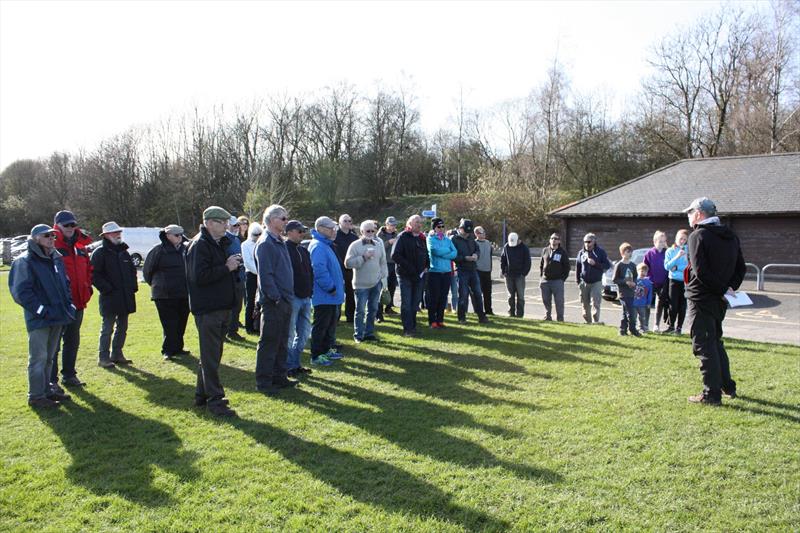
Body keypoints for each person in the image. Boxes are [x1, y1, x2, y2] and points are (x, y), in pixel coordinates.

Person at [683, 197, 746, 405]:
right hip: (719, 300)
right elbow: (741, 269)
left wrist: (721, 290)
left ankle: (711, 394)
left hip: (701, 299)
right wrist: (728, 290)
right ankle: (728, 386)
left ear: (700, 214)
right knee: (716, 343)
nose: (688, 216)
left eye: (690, 212)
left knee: (704, 345)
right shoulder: (730, 236)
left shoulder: (698, 235)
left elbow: (700, 271)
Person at [9, 224, 76, 408]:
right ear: (36, 239)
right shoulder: (25, 261)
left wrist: (68, 304)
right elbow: (21, 292)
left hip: (58, 315)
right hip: (40, 319)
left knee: (50, 357)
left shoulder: (56, 258)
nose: (52, 239)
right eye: (47, 236)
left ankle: (47, 390)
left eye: (53, 236)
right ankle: (36, 396)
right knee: (38, 358)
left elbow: (65, 284)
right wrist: (41, 310)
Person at [186, 206, 239, 417]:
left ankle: (201, 395)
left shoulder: (217, 243)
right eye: (221, 222)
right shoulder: (199, 245)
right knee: (210, 356)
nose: (226, 226)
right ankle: (216, 401)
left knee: (211, 355)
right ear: (208, 223)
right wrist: (227, 267)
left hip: (221, 307)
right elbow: (198, 277)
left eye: (226, 222)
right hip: (208, 309)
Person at [255, 204, 297, 395]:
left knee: (282, 341)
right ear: (272, 220)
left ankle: (280, 376)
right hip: (274, 302)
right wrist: (276, 298)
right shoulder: (265, 243)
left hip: (285, 299)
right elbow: (266, 276)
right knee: (269, 342)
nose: (286, 221)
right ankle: (264, 382)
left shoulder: (279, 240)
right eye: (283, 218)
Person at [51, 210, 93, 388]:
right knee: (54, 344)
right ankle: (52, 381)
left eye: (72, 224)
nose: (70, 228)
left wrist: (88, 288)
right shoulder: (52, 245)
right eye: (66, 225)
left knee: (72, 340)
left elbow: (88, 269)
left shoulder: (80, 246)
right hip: (59, 303)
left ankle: (69, 375)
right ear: (57, 226)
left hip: (78, 302)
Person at [91, 221, 138, 368]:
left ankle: (117, 354)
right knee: (107, 328)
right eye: (114, 232)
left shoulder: (124, 252)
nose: (118, 234)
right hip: (110, 297)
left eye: (118, 232)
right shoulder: (99, 253)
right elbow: (94, 275)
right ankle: (103, 357)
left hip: (125, 296)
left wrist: (132, 288)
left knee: (122, 327)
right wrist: (108, 289)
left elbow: (132, 272)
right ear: (105, 235)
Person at [142, 224, 190, 361]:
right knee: (169, 323)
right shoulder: (158, 251)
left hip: (183, 292)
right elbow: (147, 272)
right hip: (164, 294)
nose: (180, 237)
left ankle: (178, 347)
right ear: (168, 236)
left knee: (182, 321)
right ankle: (167, 350)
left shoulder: (185, 250)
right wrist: (157, 285)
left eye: (181, 235)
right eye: (176, 235)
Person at [308, 216, 346, 365]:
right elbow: (319, 270)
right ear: (321, 229)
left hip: (331, 295)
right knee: (321, 326)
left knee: (329, 325)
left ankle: (325, 350)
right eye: (331, 228)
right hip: (324, 295)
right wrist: (330, 287)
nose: (334, 230)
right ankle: (316, 355)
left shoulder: (325, 244)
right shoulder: (318, 246)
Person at [345, 220, 388, 342]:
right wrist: (363, 257)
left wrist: (383, 275)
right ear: (362, 231)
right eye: (367, 231)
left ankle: (369, 333)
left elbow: (383, 262)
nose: (370, 233)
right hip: (360, 285)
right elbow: (347, 263)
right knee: (360, 311)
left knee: (373, 309)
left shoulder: (378, 244)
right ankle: (358, 335)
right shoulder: (355, 245)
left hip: (376, 283)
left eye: (372, 231)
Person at [391, 215, 429, 337]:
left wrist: (427, 265)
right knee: (407, 303)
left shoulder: (422, 238)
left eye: (420, 222)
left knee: (415, 302)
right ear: (409, 224)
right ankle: (407, 329)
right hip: (405, 275)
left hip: (420, 276)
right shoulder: (402, 236)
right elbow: (395, 255)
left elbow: (426, 253)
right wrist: (410, 267)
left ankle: (413, 326)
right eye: (416, 222)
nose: (419, 224)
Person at [285, 220, 314, 377]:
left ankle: (295, 364)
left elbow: (310, 271)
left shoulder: (304, 250)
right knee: (289, 334)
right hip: (293, 297)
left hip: (306, 297)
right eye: (299, 231)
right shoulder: (284, 250)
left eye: (303, 231)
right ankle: (288, 366)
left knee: (303, 334)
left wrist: (310, 291)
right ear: (289, 232)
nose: (303, 234)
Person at [451, 219, 489, 324]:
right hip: (461, 269)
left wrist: (476, 255)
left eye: (469, 232)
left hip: (473, 269)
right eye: (465, 231)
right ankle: (461, 317)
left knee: (477, 293)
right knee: (463, 294)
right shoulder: (454, 240)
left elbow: (477, 249)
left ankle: (481, 316)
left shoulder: (471, 238)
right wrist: (464, 258)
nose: (467, 234)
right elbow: (453, 255)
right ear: (460, 229)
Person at [426, 217, 457, 329]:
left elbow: (455, 253)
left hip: (447, 272)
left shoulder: (448, 240)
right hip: (435, 272)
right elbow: (434, 251)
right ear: (434, 228)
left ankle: (440, 320)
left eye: (443, 226)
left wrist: (444, 253)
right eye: (439, 227)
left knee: (443, 297)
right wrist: (447, 251)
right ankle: (432, 321)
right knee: (434, 297)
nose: (441, 229)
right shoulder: (430, 238)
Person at [575, 233, 611, 325]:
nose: (587, 244)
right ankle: (588, 322)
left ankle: (596, 322)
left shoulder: (600, 252)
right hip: (584, 282)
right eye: (585, 242)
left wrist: (595, 264)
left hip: (596, 282)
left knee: (595, 303)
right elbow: (578, 267)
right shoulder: (581, 253)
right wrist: (578, 281)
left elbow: (607, 265)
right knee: (584, 304)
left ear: (594, 242)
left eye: (589, 242)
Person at [664, 229, 690, 334]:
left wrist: (677, 267)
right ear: (676, 238)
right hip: (673, 281)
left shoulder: (689, 250)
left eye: (684, 239)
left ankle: (679, 328)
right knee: (672, 304)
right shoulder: (670, 251)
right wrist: (677, 256)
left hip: (685, 281)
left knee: (682, 305)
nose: (682, 241)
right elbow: (667, 266)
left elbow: (689, 266)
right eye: (680, 239)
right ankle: (671, 326)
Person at [539, 232, 570, 321]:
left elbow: (566, 267)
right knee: (546, 300)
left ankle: (560, 318)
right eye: (552, 238)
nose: (553, 240)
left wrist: (562, 279)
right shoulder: (545, 250)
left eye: (556, 239)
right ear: (549, 240)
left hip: (557, 281)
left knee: (559, 301)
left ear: (559, 241)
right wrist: (541, 276)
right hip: (545, 281)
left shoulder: (562, 252)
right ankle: (547, 316)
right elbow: (541, 264)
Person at [643, 231, 670, 332]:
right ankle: (645, 324)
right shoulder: (649, 254)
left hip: (663, 283)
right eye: (660, 241)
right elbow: (644, 268)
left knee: (660, 304)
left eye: (664, 241)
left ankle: (656, 325)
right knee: (647, 303)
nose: (662, 243)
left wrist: (667, 247)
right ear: (654, 242)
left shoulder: (667, 252)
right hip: (650, 283)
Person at [334, 214, 358, 323]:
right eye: (345, 221)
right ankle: (336, 318)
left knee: (350, 294)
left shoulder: (354, 237)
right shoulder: (334, 236)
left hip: (351, 270)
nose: (348, 223)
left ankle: (350, 317)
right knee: (338, 293)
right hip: (338, 269)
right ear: (339, 222)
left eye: (350, 220)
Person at [500, 232, 531, 318]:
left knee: (520, 295)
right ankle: (511, 313)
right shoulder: (506, 246)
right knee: (510, 295)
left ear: (519, 240)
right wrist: (503, 271)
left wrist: (524, 273)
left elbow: (527, 262)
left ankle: (520, 314)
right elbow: (503, 259)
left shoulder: (524, 248)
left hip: (520, 275)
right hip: (509, 275)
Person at [225, 216, 246, 341]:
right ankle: (227, 331)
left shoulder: (236, 239)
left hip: (240, 276)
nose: (237, 228)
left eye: (238, 225)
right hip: (230, 276)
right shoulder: (225, 239)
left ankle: (233, 330)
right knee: (230, 307)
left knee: (238, 306)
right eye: (234, 225)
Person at [613, 242, 640, 337]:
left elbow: (636, 277)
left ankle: (622, 330)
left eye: (630, 251)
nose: (630, 253)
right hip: (623, 293)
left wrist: (634, 283)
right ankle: (632, 329)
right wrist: (625, 282)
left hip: (631, 292)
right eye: (628, 251)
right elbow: (615, 279)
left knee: (625, 312)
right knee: (631, 312)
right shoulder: (619, 265)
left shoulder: (632, 265)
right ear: (622, 253)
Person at [241, 221, 263, 334]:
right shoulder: (245, 245)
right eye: (255, 234)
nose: (258, 236)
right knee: (250, 301)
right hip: (251, 274)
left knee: (261, 301)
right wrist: (259, 272)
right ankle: (249, 325)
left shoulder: (262, 243)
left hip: (262, 275)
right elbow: (248, 263)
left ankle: (258, 325)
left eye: (260, 233)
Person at [376, 216, 399, 320]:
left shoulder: (396, 234)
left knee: (392, 286)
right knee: (382, 288)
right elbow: (377, 248)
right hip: (383, 264)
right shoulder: (379, 235)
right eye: (391, 224)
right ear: (386, 224)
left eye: (394, 225)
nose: (393, 226)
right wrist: (388, 243)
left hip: (394, 264)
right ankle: (379, 313)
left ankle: (389, 308)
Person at [474, 226, 494, 315]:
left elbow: (490, 255)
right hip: (478, 271)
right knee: (478, 292)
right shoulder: (474, 243)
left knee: (488, 292)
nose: (484, 234)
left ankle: (489, 310)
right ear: (476, 234)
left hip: (487, 271)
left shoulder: (488, 243)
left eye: (484, 232)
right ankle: (478, 311)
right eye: (481, 233)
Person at [633, 263, 654, 333]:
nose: (643, 273)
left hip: (643, 304)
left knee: (642, 317)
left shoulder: (648, 283)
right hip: (634, 303)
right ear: (637, 271)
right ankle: (633, 328)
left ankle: (642, 328)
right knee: (633, 316)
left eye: (645, 271)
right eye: (641, 271)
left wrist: (649, 303)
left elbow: (649, 294)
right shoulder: (634, 280)